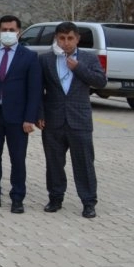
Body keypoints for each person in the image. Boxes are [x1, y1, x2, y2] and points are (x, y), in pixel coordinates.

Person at [37, 21, 106, 218]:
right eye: (62, 38)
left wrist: (78, 68)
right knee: (54, 163)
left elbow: (101, 81)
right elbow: (38, 89)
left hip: (79, 120)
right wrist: (39, 114)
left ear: (77, 39)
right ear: (56, 39)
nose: (66, 42)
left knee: (84, 163)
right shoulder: (45, 59)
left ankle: (89, 202)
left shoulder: (88, 58)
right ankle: (55, 198)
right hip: (53, 120)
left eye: (70, 38)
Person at [0, 14, 41, 213]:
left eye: (12, 30)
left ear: (19, 32)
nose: (8, 33)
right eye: (4, 30)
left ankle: (17, 198)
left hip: (18, 118)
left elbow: (34, 90)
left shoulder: (29, 57)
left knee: (17, 159)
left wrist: (30, 118)